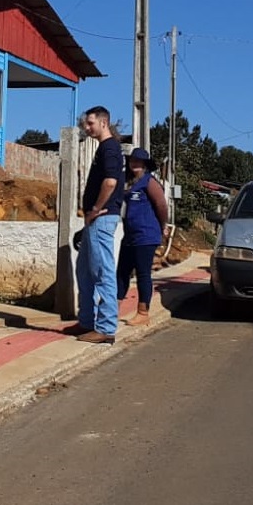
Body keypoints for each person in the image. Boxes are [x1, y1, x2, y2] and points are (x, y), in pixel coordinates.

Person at [73, 106, 124, 344]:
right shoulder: (104, 148)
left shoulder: (110, 147)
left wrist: (95, 209)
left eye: (90, 123)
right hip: (94, 220)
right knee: (84, 270)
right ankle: (86, 322)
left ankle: (105, 328)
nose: (86, 127)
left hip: (101, 218)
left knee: (102, 272)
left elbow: (111, 182)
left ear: (104, 122)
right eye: (86, 123)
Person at [118, 148, 170, 326]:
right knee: (122, 272)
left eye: (139, 162)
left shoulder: (150, 182)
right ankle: (113, 308)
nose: (135, 164)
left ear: (145, 165)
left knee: (142, 274)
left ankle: (143, 312)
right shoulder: (128, 182)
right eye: (133, 160)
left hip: (146, 235)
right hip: (130, 235)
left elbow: (161, 205)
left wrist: (162, 226)